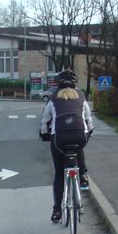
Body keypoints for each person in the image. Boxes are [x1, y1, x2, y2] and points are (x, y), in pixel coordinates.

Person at [40, 69, 94, 223]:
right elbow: (88, 120)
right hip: (79, 136)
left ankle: (57, 210)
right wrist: (89, 132)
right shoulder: (81, 97)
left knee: (59, 173)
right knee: (79, 145)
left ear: (58, 84)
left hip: (59, 138)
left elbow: (45, 121)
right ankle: (82, 175)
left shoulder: (53, 98)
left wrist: (44, 134)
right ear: (75, 84)